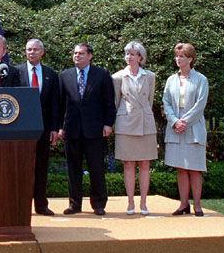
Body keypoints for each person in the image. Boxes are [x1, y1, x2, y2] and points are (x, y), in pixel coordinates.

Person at [59, 43, 115, 216]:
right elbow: (60, 104)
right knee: (73, 169)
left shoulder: (102, 74)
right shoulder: (65, 75)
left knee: (96, 168)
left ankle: (98, 204)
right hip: (72, 129)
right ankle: (74, 204)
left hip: (95, 129)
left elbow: (109, 101)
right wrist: (59, 127)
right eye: (75, 53)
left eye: (81, 53)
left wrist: (108, 123)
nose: (77, 56)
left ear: (90, 55)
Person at [163, 43, 208, 217]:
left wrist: (184, 122)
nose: (178, 59)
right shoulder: (171, 80)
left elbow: (200, 104)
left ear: (190, 59)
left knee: (195, 168)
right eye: (176, 56)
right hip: (176, 130)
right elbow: (166, 102)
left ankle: (197, 205)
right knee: (181, 168)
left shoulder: (201, 79)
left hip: (194, 129)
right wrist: (175, 122)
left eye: (182, 56)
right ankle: (183, 205)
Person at [112, 41, 157, 215]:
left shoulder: (150, 76)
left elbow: (150, 100)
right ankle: (130, 202)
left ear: (140, 57)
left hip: (145, 123)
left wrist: (144, 114)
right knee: (128, 164)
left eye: (132, 54)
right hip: (126, 123)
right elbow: (116, 101)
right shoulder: (117, 77)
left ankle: (143, 202)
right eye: (127, 54)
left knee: (145, 163)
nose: (129, 57)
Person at [17, 38, 60, 216]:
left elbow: (55, 104)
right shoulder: (15, 72)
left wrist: (54, 129)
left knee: (41, 167)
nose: (31, 53)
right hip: (20, 129)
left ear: (42, 52)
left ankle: (41, 205)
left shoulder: (51, 74)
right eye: (28, 50)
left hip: (43, 128)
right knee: (21, 168)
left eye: (35, 50)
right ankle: (21, 205)